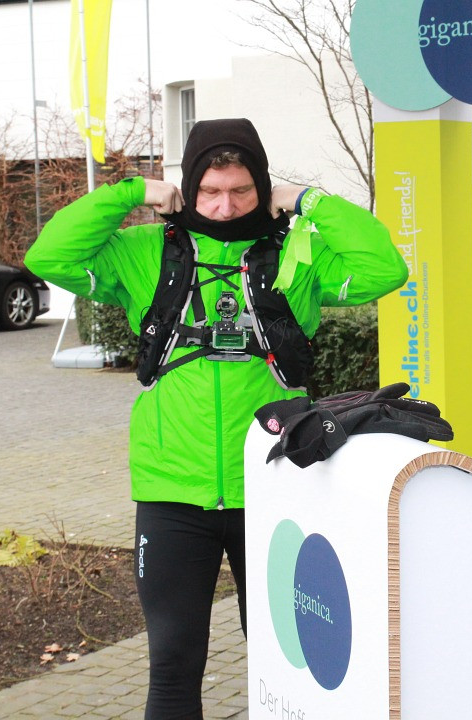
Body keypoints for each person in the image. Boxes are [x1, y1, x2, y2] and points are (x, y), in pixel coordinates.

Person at [24, 118, 408, 719]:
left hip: (277, 486)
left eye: (241, 191)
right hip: (172, 493)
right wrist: (130, 192)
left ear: (262, 187)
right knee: (174, 663)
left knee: (290, 660)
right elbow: (49, 254)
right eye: (209, 191)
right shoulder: (145, 254)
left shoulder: (297, 253)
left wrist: (310, 201)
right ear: (188, 187)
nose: (225, 207)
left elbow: (385, 269)